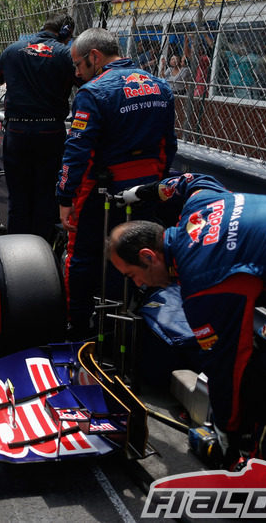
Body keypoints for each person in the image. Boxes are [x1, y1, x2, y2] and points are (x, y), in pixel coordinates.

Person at [108, 173, 266, 470]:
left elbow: (227, 366)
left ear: (148, 256)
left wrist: (227, 432)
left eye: (133, 276)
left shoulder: (202, 282)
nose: (140, 285)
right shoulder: (202, 203)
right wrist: (142, 192)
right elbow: (189, 180)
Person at [57, 27, 176, 339]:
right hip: (146, 191)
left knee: (81, 257)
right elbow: (168, 146)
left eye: (79, 66)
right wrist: (155, 184)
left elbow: (76, 152)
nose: (78, 74)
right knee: (132, 256)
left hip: (101, 191)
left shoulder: (93, 92)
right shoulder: (160, 85)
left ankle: (78, 328)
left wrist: (64, 197)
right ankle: (116, 330)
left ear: (94, 57)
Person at [0, 14, 75, 242]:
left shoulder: (13, 49)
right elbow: (85, 81)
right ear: (66, 32)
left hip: (17, 131)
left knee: (18, 194)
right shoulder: (66, 54)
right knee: (46, 194)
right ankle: (41, 251)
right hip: (51, 132)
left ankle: (15, 252)